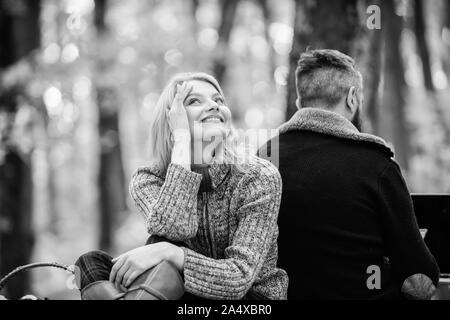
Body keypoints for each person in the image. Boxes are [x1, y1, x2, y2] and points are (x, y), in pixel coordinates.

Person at [75, 72, 288, 300]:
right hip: (181, 292)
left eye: (218, 100)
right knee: (90, 263)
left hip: (250, 299)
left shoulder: (256, 176)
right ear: (172, 119)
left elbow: (239, 278)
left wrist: (169, 252)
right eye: (194, 101)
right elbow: (174, 228)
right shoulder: (149, 178)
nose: (214, 106)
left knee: (158, 246)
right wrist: (182, 145)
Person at [258, 49, 440, 299]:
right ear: (352, 98)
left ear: (300, 102)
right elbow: (418, 282)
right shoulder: (376, 164)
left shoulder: (264, 158)